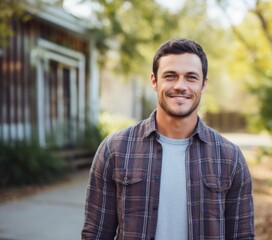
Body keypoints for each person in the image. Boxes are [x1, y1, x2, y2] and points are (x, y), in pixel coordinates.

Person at [82, 38, 254, 239]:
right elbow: (95, 233)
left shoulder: (230, 158)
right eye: (170, 76)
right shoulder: (115, 150)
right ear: (154, 81)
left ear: (203, 84)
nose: (180, 86)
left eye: (191, 77)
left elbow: (242, 236)